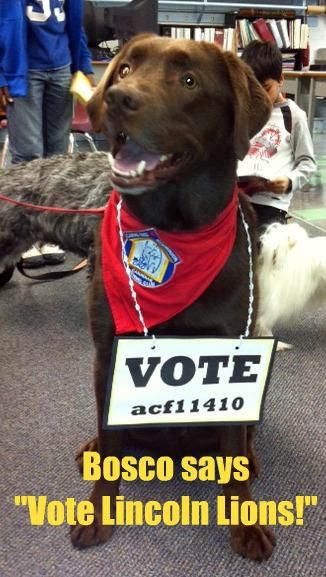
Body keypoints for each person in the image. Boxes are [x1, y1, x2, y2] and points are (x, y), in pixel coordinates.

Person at [0, 0, 94, 267]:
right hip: (24, 72)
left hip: (62, 70)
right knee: (28, 155)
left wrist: (84, 65)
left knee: (56, 159)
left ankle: (48, 233)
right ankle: (23, 237)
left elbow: (76, 28)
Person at [237, 40, 316, 228]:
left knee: (265, 247)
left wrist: (290, 182)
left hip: (271, 204)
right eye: (251, 89)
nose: (259, 97)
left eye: (265, 89)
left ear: (281, 79)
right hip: (238, 198)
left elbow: (308, 162)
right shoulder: (244, 112)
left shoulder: (294, 116)